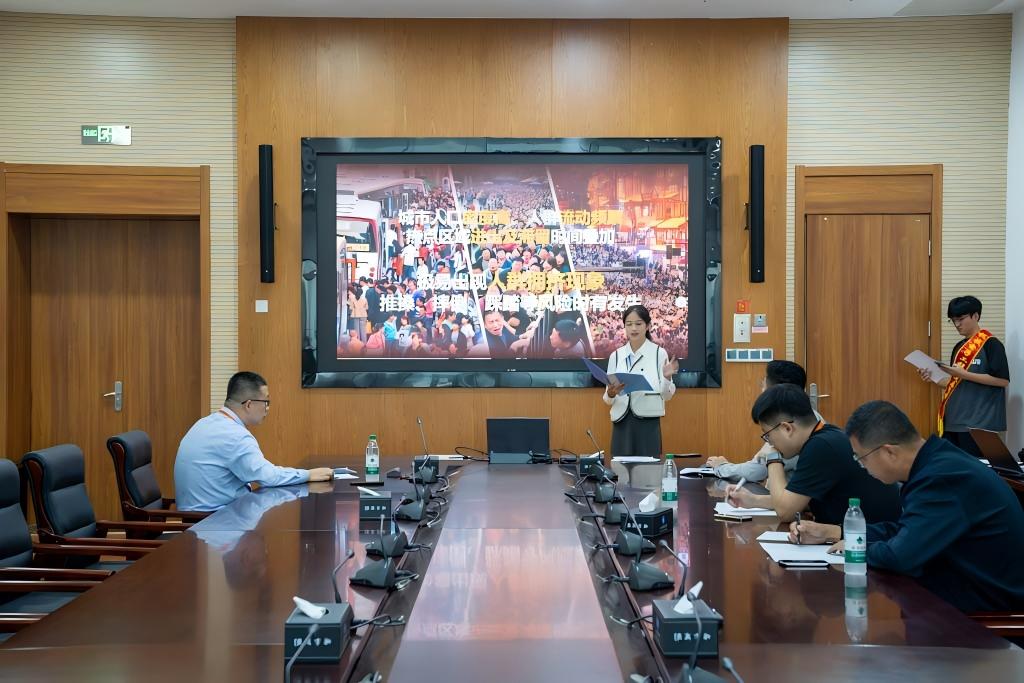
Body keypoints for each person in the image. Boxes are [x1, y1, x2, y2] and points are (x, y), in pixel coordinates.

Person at [790, 401, 1024, 614]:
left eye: (861, 458)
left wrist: (856, 548)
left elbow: (901, 556)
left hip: (985, 610)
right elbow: (909, 531)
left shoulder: (941, 478)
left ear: (889, 452)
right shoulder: (936, 463)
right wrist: (836, 532)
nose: (862, 467)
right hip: (961, 592)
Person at [726, 384, 900, 525]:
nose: (770, 443)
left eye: (768, 435)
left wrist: (773, 458)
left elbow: (785, 512)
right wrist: (753, 500)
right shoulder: (824, 437)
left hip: (870, 542)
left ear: (787, 428)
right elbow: (798, 501)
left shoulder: (820, 446)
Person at [174, 372, 332, 512]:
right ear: (249, 404)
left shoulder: (204, 423)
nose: (267, 409)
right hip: (214, 523)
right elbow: (268, 477)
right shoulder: (234, 435)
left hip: (198, 519)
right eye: (266, 402)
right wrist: (308, 474)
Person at [918, 296, 1010, 459]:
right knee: (954, 468)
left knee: (977, 469)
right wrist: (932, 377)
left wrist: (963, 374)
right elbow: (956, 383)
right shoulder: (959, 347)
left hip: (980, 425)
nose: (957, 324)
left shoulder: (991, 344)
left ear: (976, 316)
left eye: (960, 319)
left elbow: (1002, 381)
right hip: (953, 423)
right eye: (953, 320)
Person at [706, 360, 819, 482]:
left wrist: (722, 467)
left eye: (763, 385)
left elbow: (756, 471)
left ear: (774, 392)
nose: (762, 392)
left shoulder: (793, 426)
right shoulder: (806, 417)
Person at [604, 305, 678, 458]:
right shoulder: (616, 356)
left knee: (648, 468)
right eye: (629, 324)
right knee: (621, 468)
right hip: (621, 421)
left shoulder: (658, 353)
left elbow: (667, 396)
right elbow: (607, 400)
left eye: (638, 324)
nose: (633, 328)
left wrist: (667, 378)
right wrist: (610, 394)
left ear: (648, 326)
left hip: (648, 422)